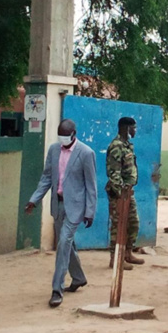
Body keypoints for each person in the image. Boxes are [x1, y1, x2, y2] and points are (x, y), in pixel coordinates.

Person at [25, 119, 97, 308]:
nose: (62, 139)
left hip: (76, 207)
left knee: (63, 243)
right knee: (67, 244)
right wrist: (34, 200)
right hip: (58, 205)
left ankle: (57, 290)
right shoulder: (54, 150)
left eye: (65, 136)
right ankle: (79, 277)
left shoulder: (86, 153)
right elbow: (46, 178)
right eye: (60, 136)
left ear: (74, 134)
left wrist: (90, 211)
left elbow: (91, 186)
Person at [106, 117, 144, 270]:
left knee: (133, 223)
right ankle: (115, 259)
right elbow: (113, 173)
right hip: (119, 194)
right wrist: (121, 193)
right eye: (133, 128)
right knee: (118, 226)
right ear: (126, 128)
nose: (135, 131)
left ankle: (127, 253)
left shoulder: (127, 146)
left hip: (128, 193)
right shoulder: (116, 146)